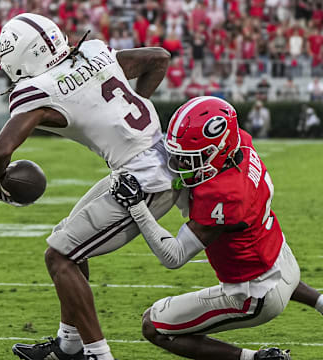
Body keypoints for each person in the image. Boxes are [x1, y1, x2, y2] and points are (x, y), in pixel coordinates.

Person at [0, 13, 179, 360]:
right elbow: (158, 58)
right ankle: (68, 345)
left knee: (59, 256)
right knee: (69, 240)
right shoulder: (93, 52)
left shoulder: (38, 90)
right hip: (158, 158)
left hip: (145, 181)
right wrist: (139, 103)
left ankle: (97, 354)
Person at [110, 96, 323, 360]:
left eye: (190, 158)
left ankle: (254, 358)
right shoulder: (239, 143)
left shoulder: (223, 194)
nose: (180, 163)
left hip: (254, 293)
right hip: (283, 261)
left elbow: (173, 256)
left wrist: (137, 207)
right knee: (260, 249)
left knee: (153, 326)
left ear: (219, 150)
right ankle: (320, 301)